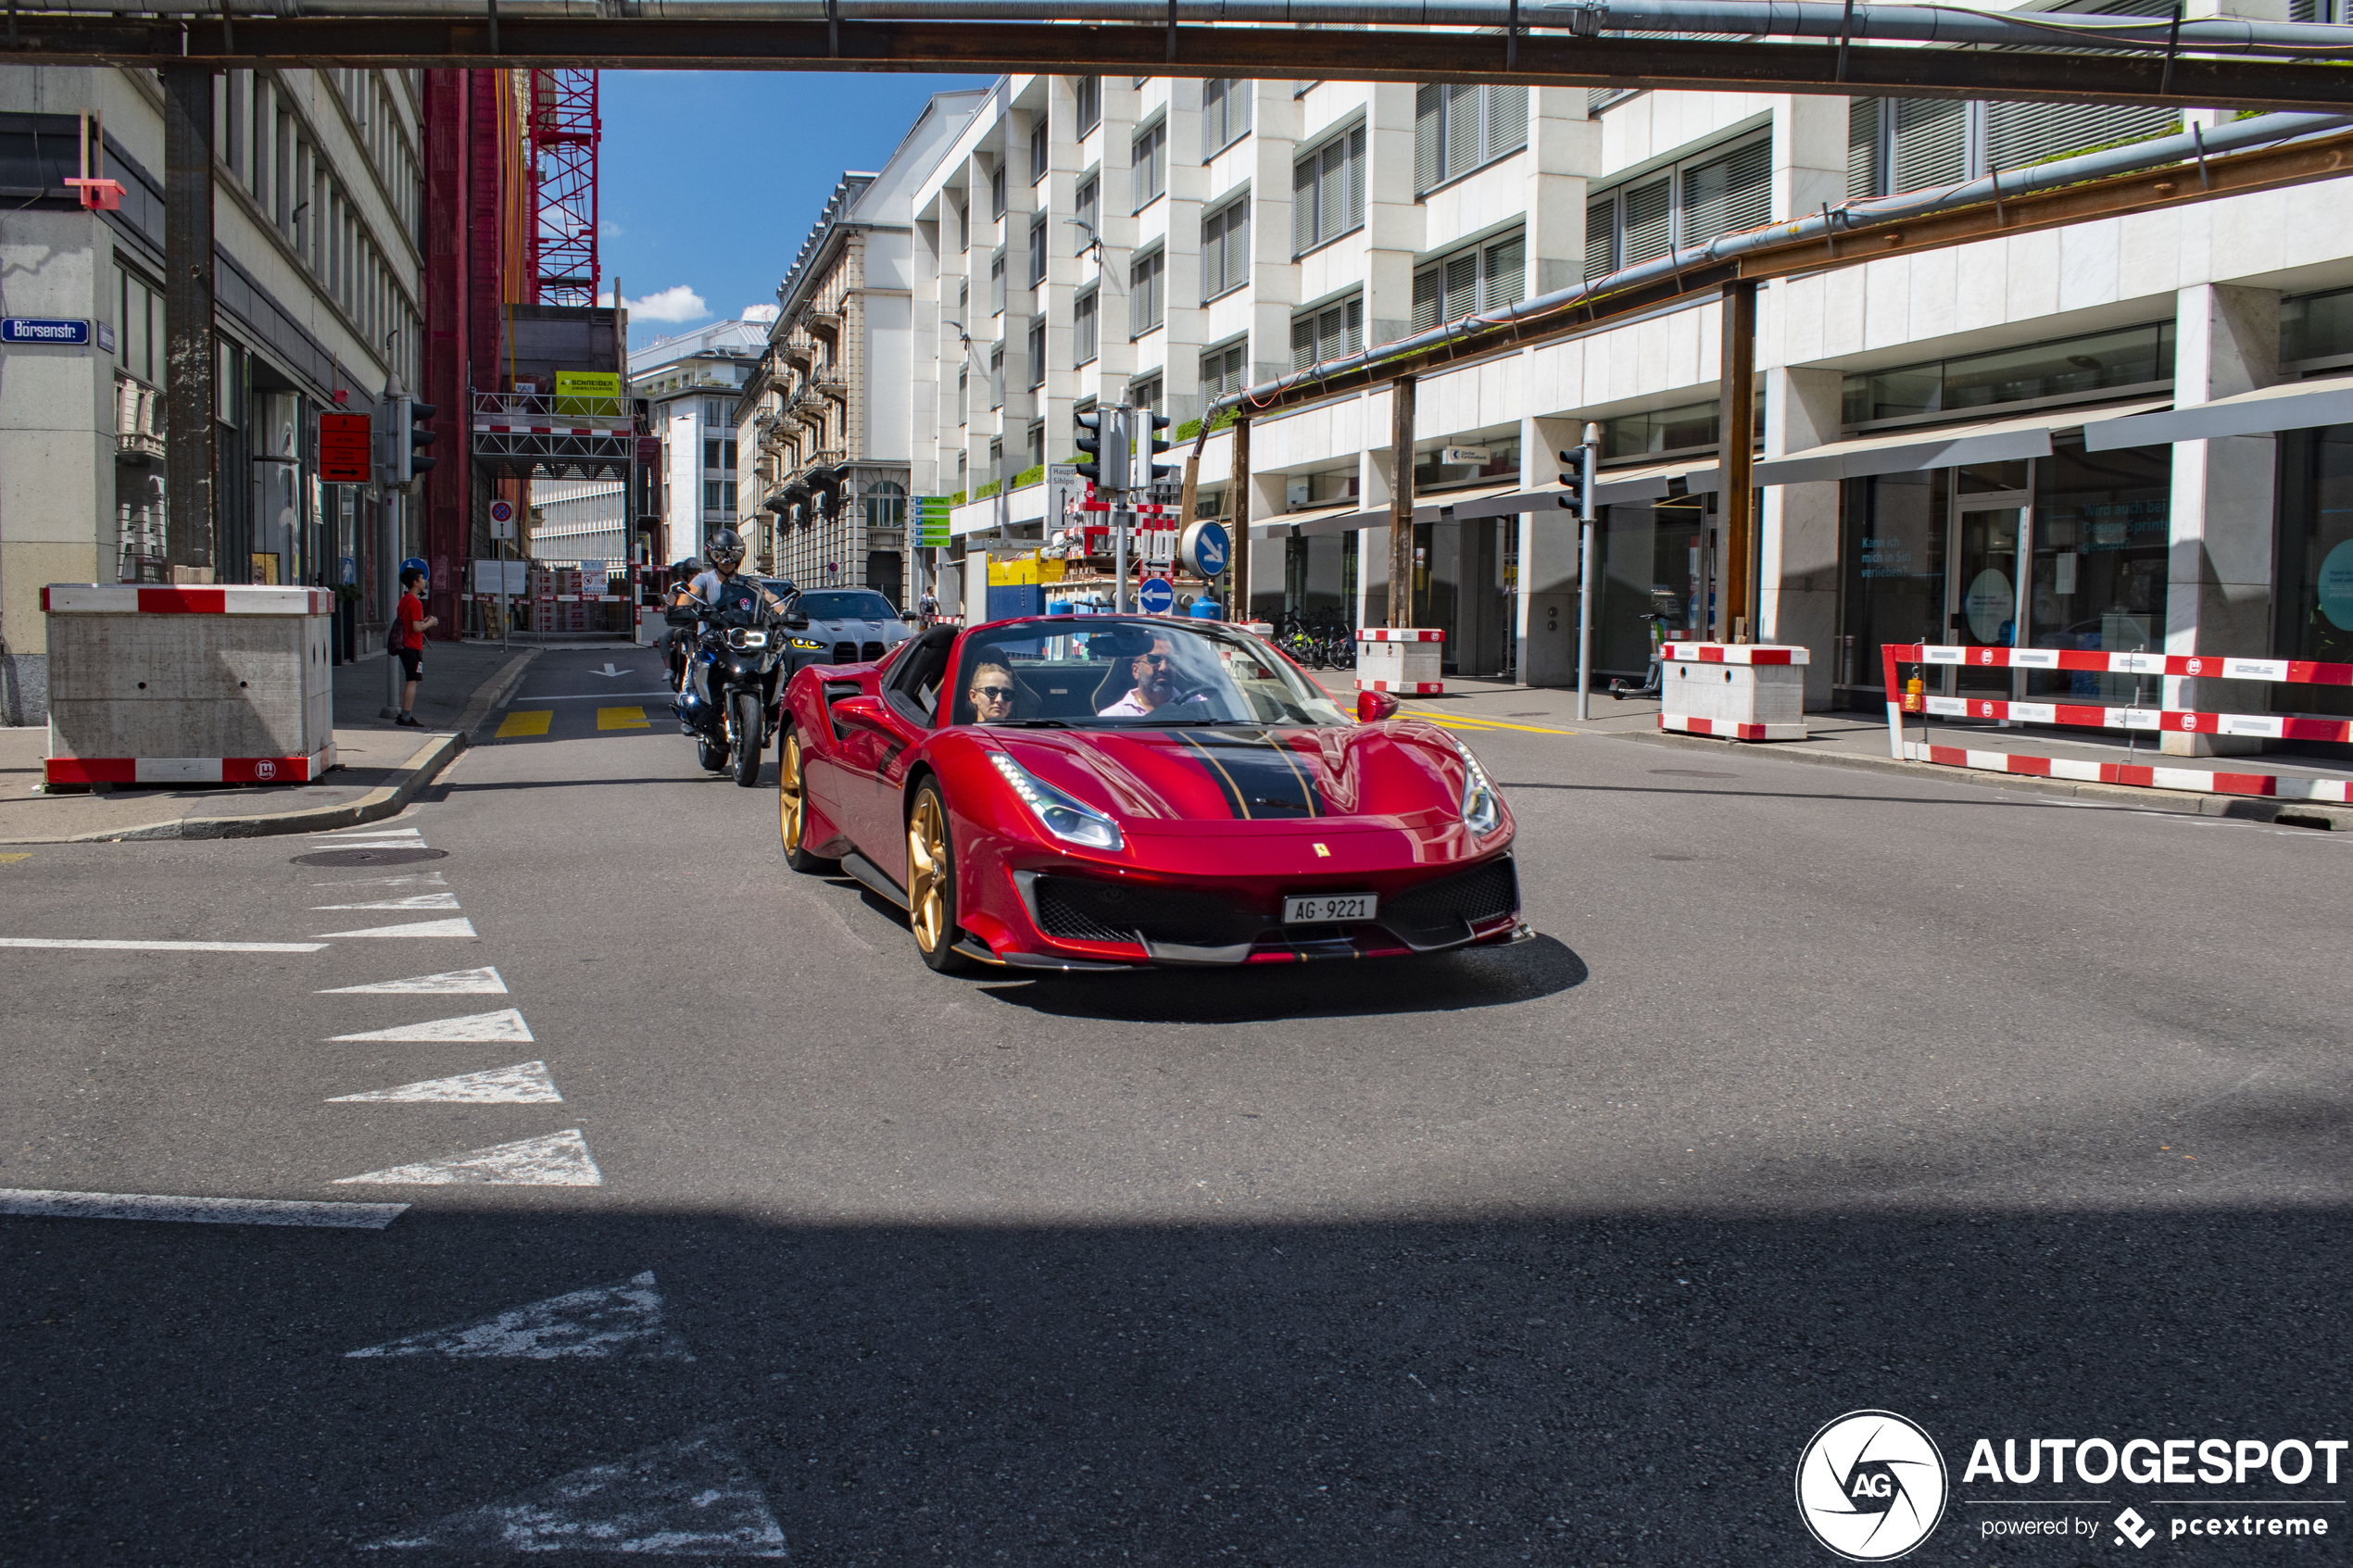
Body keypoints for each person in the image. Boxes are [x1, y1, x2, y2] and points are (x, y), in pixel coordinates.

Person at [392, 566, 437, 727]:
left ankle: (405, 715)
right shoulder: (415, 603)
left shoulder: (404, 600)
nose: (424, 581)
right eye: (421, 579)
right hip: (412, 645)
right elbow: (417, 628)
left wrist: (423, 621)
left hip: (405, 644)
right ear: (415, 582)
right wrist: (430, 623)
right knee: (413, 680)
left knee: (412, 679)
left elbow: (411, 624)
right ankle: (406, 717)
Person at [1097, 633, 1182, 716]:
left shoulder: (1193, 705)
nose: (1164, 668)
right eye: (1154, 659)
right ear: (1136, 671)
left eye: (1171, 661)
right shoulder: (1114, 717)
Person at [966, 660, 1019, 724]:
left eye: (1006, 693)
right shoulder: (963, 733)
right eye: (991, 692)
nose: (999, 699)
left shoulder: (1020, 733)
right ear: (973, 696)